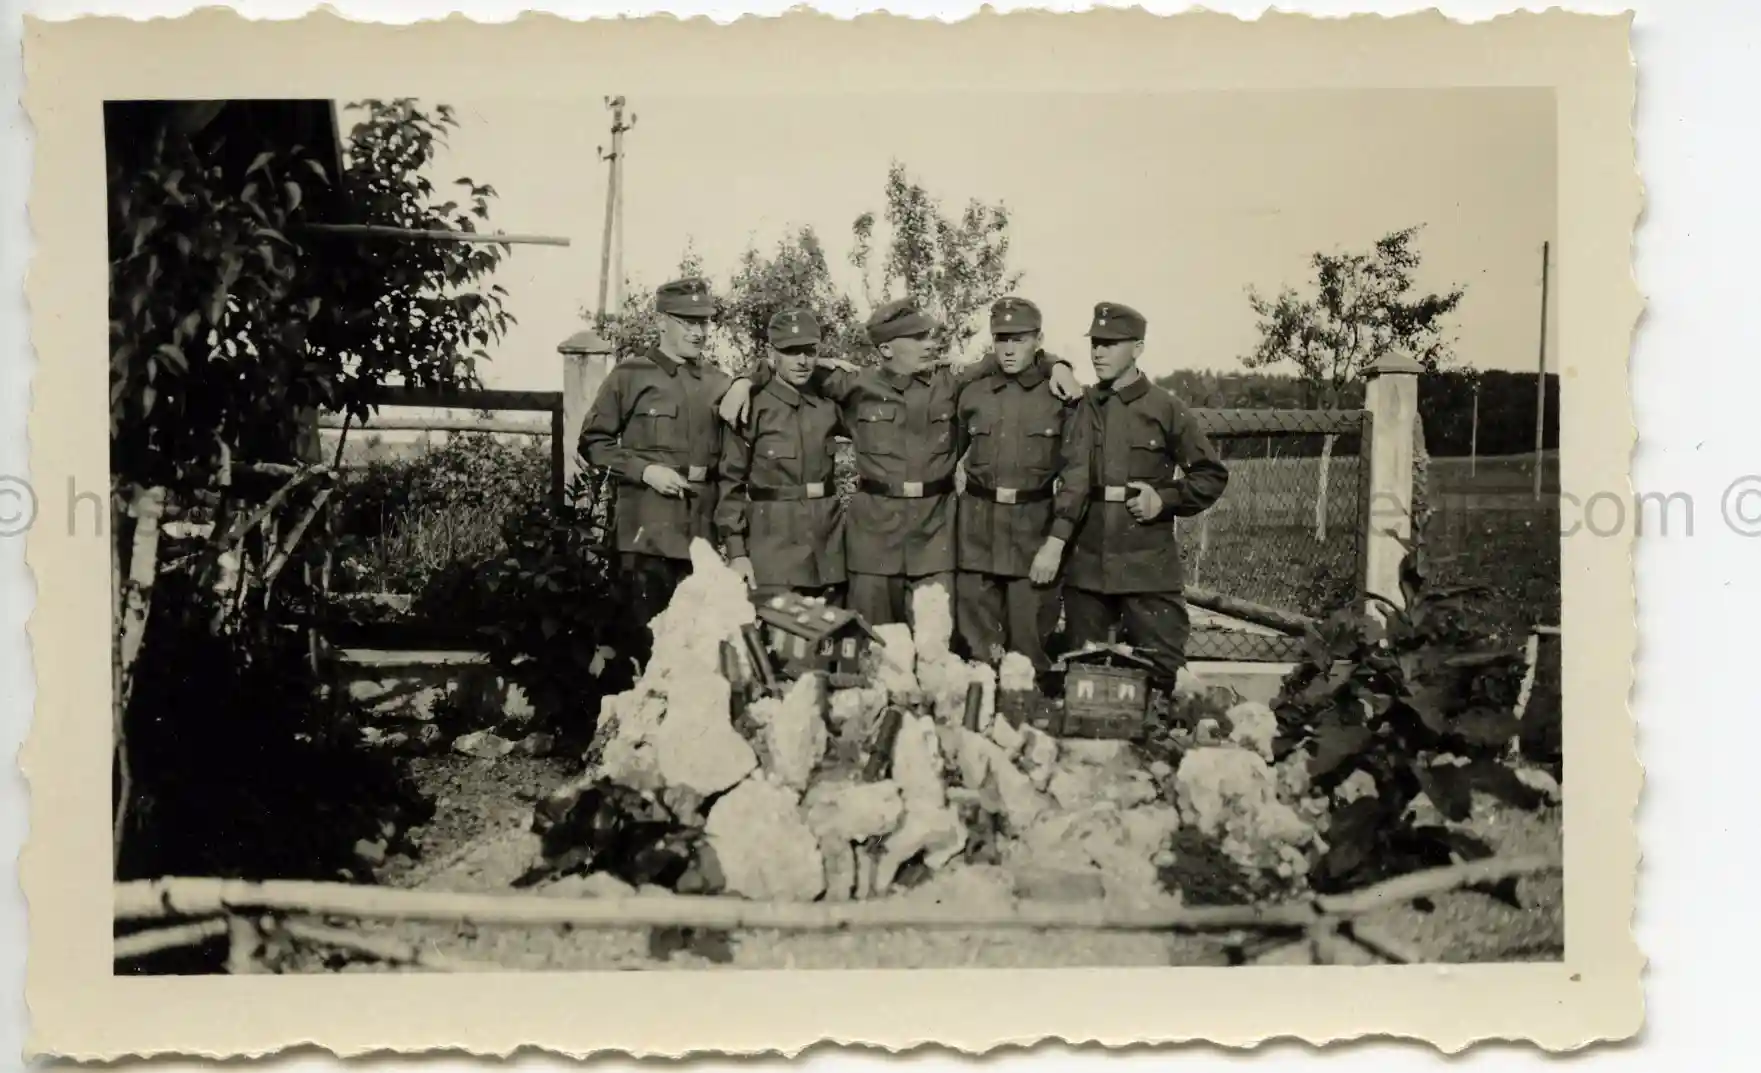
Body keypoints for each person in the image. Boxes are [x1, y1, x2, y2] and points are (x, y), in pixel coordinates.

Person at [720, 297, 1081, 630]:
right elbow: (784, 366)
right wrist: (742, 382)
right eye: (918, 338)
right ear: (887, 348)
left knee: (935, 637)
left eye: (929, 336)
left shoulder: (951, 382)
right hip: (875, 537)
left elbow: (1014, 356)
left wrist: (1059, 365)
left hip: (933, 536)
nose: (930, 344)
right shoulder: (854, 385)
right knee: (872, 642)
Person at [1062, 300, 1229, 690]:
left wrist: (1164, 498)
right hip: (1087, 566)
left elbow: (1210, 475)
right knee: (1084, 679)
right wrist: (1059, 366)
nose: (1098, 352)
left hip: (1145, 567)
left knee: (1162, 674)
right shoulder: (1080, 404)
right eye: (1095, 343)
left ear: (1137, 348)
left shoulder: (1166, 408)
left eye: (1111, 343)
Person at [577, 277, 735, 665]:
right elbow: (593, 441)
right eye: (687, 322)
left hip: (701, 532)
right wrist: (645, 471)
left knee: (698, 649)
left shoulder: (720, 383)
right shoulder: (631, 376)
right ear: (662, 321)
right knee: (641, 647)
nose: (698, 332)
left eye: (703, 323)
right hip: (646, 534)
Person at [954, 296, 1090, 671]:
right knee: (977, 653)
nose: (1009, 348)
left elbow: (1077, 476)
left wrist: (1056, 543)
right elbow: (942, 457)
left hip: (1033, 536)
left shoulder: (1061, 396)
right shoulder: (973, 394)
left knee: (1027, 653)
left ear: (1038, 339)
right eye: (1001, 339)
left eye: (1020, 338)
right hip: (976, 537)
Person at [716, 307, 848, 604]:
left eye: (809, 351)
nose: (802, 361)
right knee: (782, 641)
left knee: (831, 638)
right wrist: (737, 553)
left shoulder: (828, 405)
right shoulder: (752, 407)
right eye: (791, 352)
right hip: (775, 551)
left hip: (829, 549)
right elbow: (730, 484)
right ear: (771, 353)